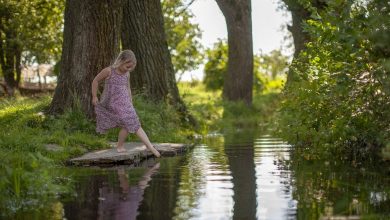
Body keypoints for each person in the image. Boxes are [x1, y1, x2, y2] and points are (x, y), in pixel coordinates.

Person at [91, 49, 161, 157]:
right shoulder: (109, 71)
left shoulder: (127, 74)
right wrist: (94, 96)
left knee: (132, 123)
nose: (128, 69)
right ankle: (147, 147)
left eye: (131, 67)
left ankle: (128, 145)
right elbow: (95, 81)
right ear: (121, 61)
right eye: (127, 66)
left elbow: (127, 87)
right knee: (128, 122)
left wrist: (130, 100)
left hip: (126, 103)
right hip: (113, 102)